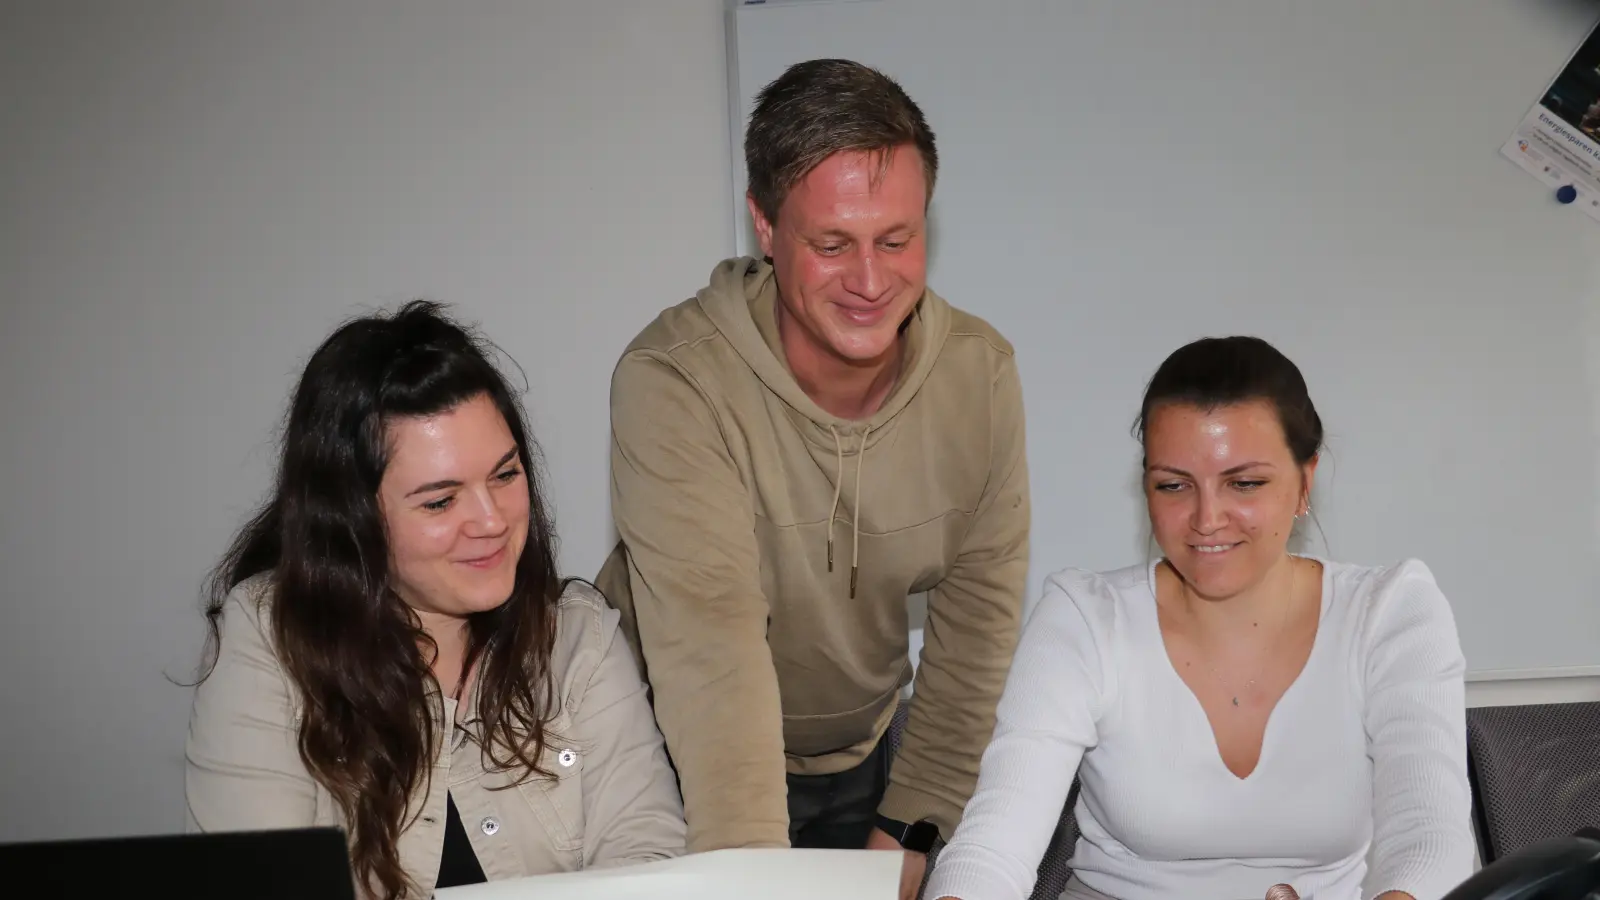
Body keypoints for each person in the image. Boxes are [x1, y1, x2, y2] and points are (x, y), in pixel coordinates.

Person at [595, 58, 1030, 898]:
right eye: (832, 244)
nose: (871, 283)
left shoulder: (979, 376)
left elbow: (977, 634)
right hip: (674, 759)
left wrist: (907, 831)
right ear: (764, 224)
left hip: (859, 757)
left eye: (897, 241)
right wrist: (756, 879)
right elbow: (712, 660)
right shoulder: (674, 381)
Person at [925, 336, 1474, 900]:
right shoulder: (1084, 618)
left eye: (1245, 483)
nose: (1207, 519)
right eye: (1174, 486)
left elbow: (1431, 837)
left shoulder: (1391, 611)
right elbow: (995, 843)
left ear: (1304, 483)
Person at [184, 301, 686, 900]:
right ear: (354, 520)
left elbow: (651, 866)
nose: (492, 521)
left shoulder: (581, 641)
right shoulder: (270, 642)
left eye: (505, 475)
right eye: (440, 501)